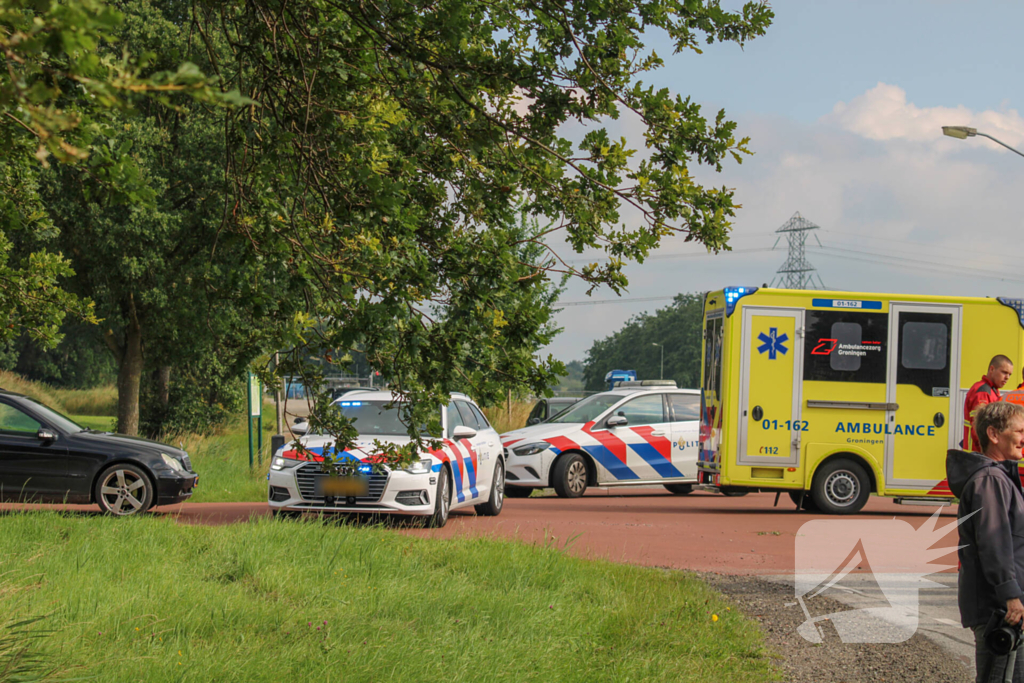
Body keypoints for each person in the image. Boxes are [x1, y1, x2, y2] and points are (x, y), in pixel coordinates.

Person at [948, 401, 1024, 683]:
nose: (1023, 438)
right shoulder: (991, 479)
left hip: (1003, 606)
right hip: (999, 609)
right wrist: (1010, 595)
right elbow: (994, 540)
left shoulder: (998, 477)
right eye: (1019, 431)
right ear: (993, 434)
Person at [964, 355, 1014, 453]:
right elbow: (979, 428)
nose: (1007, 377)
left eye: (1010, 374)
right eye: (1004, 372)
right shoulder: (983, 392)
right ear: (992, 369)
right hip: (977, 454)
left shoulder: (991, 391)